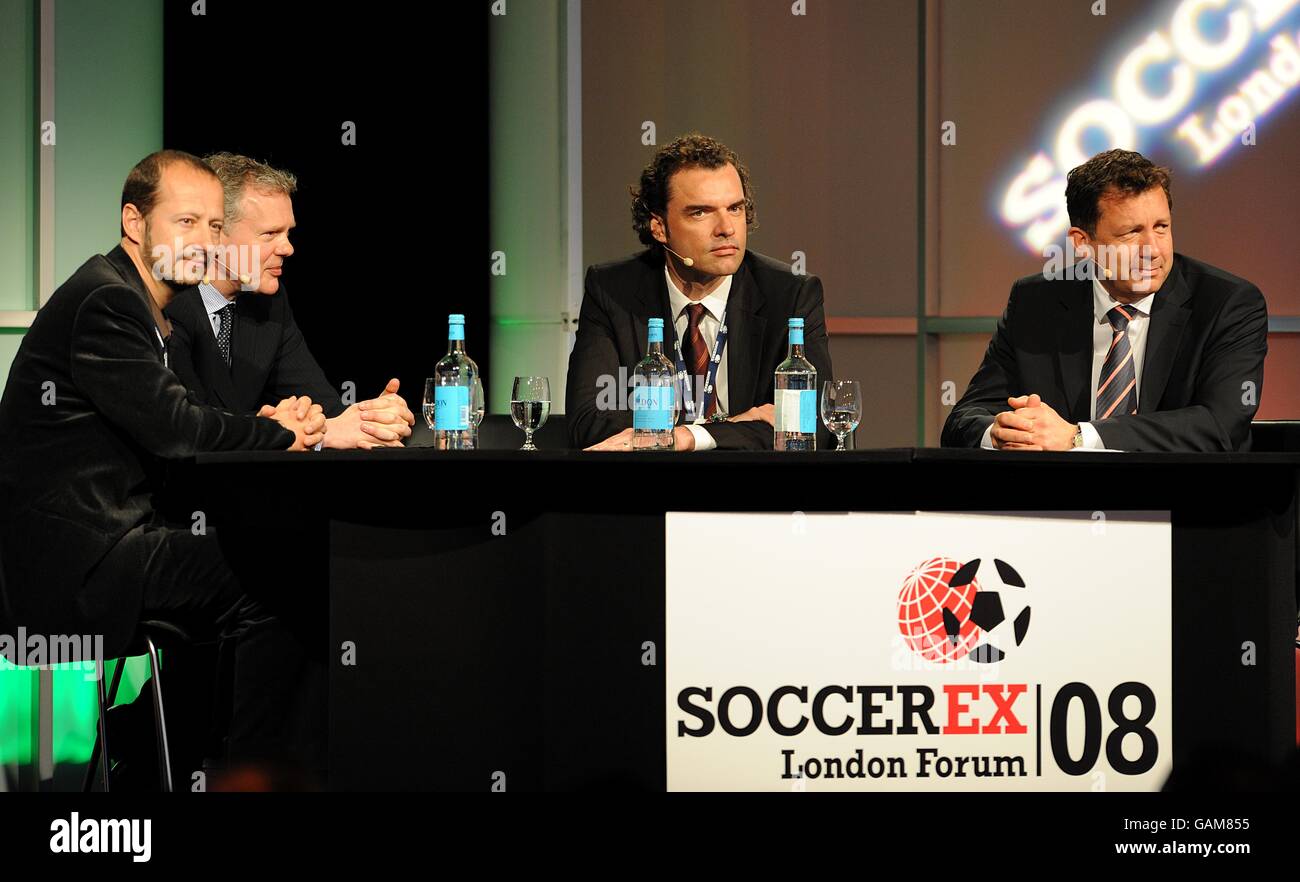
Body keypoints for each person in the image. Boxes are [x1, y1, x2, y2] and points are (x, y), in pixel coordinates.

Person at [942, 148, 1267, 452]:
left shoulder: (1227, 303)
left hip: (1184, 503)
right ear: (1083, 244)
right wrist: (1004, 432)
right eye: (1131, 233)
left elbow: (1220, 424)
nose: (1153, 250)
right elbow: (965, 418)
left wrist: (1079, 437)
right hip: (1060, 504)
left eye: (1161, 227)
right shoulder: (1035, 303)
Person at [567, 133, 833, 451]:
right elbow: (589, 422)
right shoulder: (613, 291)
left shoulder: (790, 295)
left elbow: (814, 425)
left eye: (735, 208)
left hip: (753, 494)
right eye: (700, 212)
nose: (727, 228)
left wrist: (690, 436)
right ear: (659, 226)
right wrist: (726, 429)